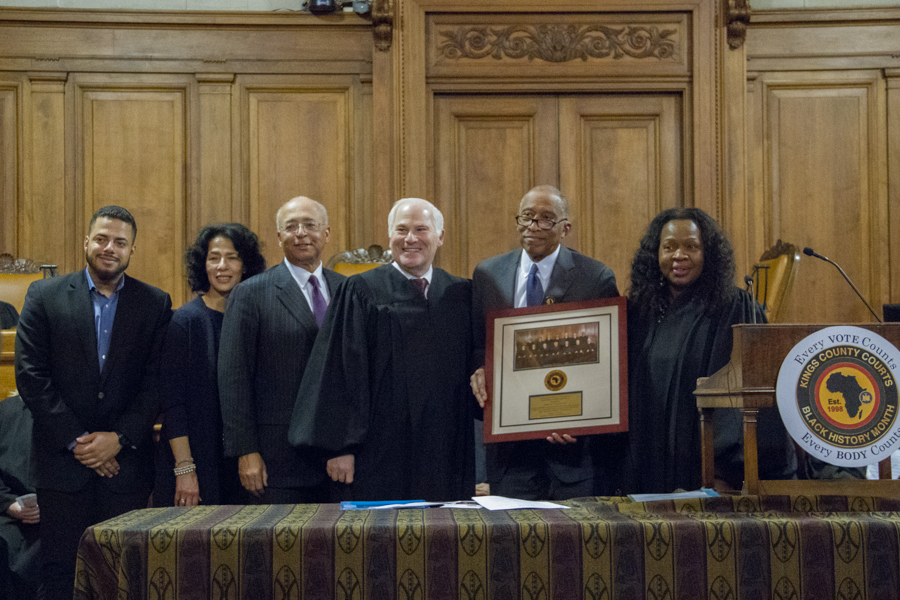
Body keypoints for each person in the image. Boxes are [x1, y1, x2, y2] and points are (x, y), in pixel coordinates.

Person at [15, 205, 172, 600]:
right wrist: (82, 443)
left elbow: (156, 383)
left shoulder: (154, 303)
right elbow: (31, 377)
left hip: (127, 469)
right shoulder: (44, 295)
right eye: (102, 239)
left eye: (120, 242)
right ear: (86, 242)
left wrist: (118, 439)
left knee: (125, 577)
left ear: (132, 251)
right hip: (62, 469)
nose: (109, 248)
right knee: (62, 575)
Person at [289, 198, 475, 501]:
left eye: (421, 229)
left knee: (445, 538)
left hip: (446, 447)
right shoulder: (360, 291)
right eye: (401, 230)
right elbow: (339, 370)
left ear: (440, 237)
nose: (410, 238)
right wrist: (341, 447)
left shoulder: (460, 294)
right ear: (390, 237)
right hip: (379, 450)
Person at [625, 207, 796, 493]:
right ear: (655, 255)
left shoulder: (733, 308)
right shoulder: (641, 312)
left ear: (709, 254)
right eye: (669, 247)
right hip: (649, 469)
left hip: (709, 478)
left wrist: (724, 475)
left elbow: (747, 395)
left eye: (691, 246)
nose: (679, 256)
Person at [469, 185, 619, 500]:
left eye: (546, 219)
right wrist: (479, 368)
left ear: (565, 228)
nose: (533, 226)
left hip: (572, 455)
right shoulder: (488, 275)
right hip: (510, 454)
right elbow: (478, 344)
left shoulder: (595, 278)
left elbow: (607, 362)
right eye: (527, 217)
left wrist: (583, 418)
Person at [218, 197, 345, 504]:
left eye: (310, 225)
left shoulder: (348, 290)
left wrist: (350, 447)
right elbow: (233, 378)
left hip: (339, 460)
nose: (301, 233)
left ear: (326, 233)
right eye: (291, 226)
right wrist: (246, 451)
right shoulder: (250, 293)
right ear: (279, 237)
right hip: (276, 462)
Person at [153, 224, 266, 508]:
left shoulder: (258, 319)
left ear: (246, 264)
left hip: (246, 463)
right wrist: (185, 469)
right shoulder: (185, 321)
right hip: (196, 464)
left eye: (232, 257)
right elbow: (173, 403)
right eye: (214, 257)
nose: (222, 266)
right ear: (202, 265)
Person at [0, 394, 40, 599]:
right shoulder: (6, 410)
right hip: (8, 509)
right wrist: (8, 504)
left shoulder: (78, 408)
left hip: (61, 508)